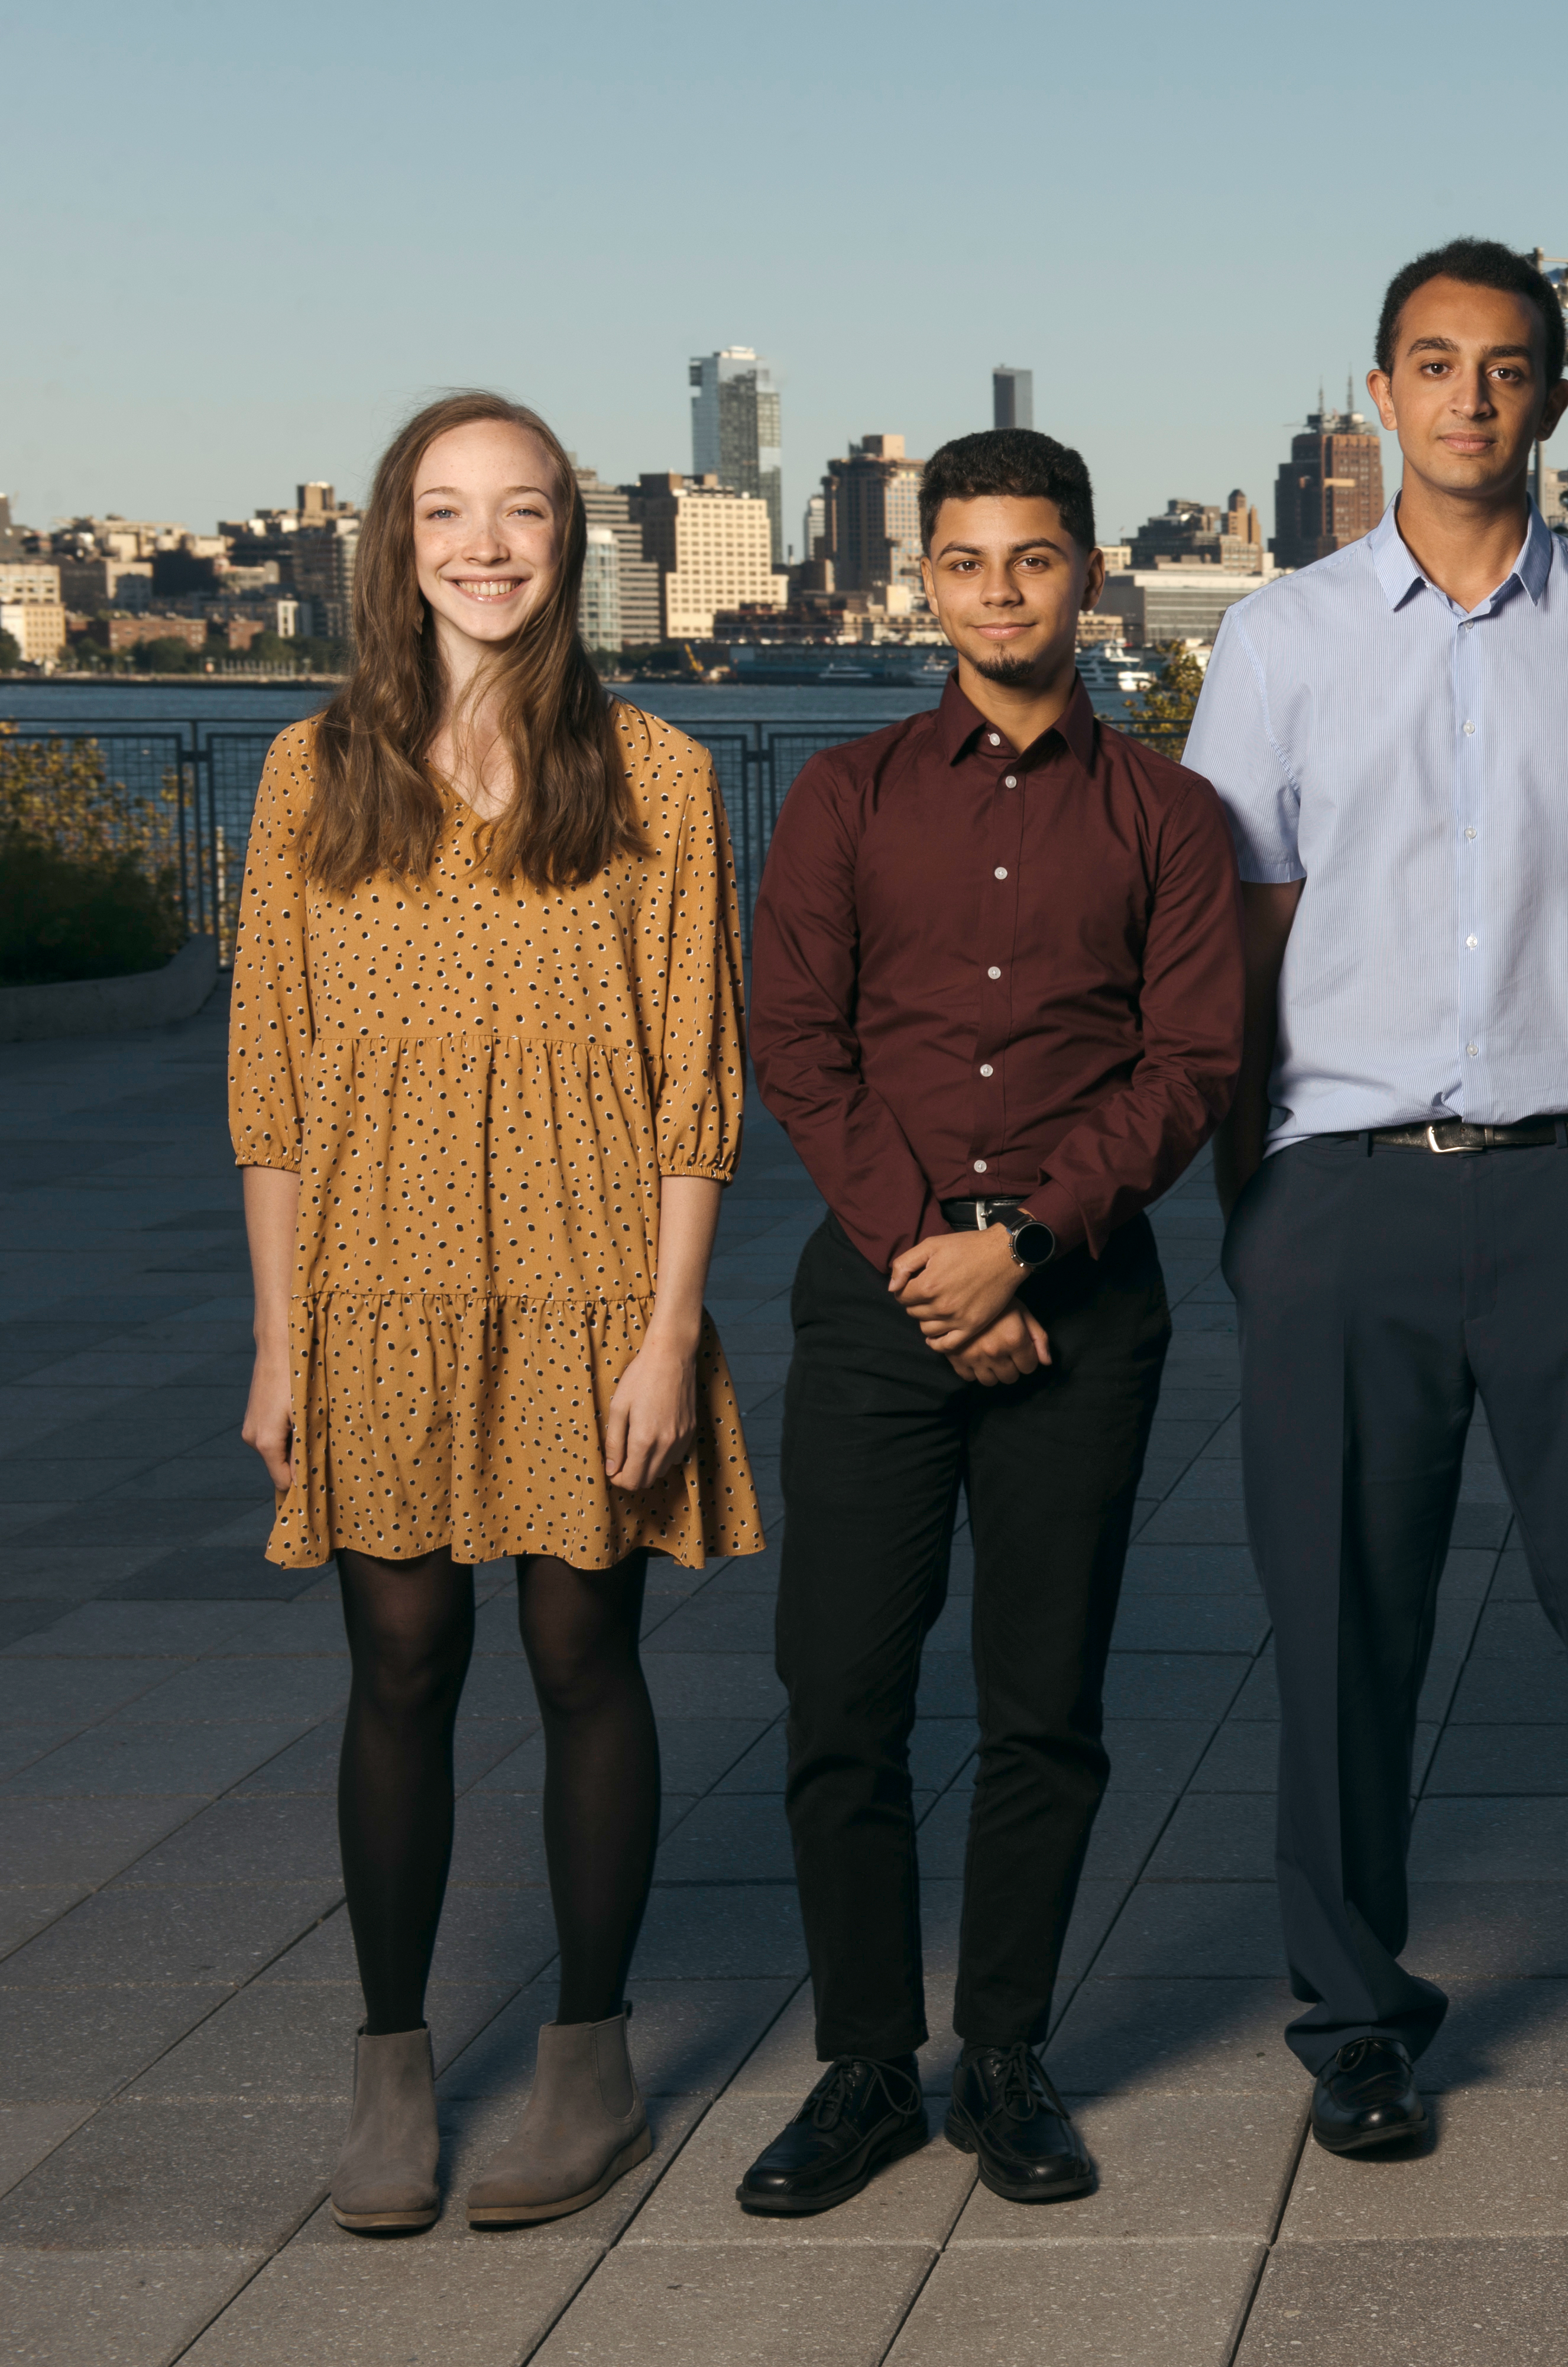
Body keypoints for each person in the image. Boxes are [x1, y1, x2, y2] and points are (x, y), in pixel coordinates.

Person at [1185, 238, 1568, 2159]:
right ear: (1378, 397)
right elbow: (1242, 931)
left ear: (1552, 404)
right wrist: (1259, 1199)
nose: (1469, 400)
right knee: (1341, 1632)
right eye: (1433, 366)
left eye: (1505, 370)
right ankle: (1355, 2020)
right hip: (1346, 1197)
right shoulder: (1275, 641)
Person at [231, 392, 761, 2236]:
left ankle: (591, 2063)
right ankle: (390, 2072)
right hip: (372, 1277)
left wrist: (671, 1334)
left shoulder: (664, 781)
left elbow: (698, 1085)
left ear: (572, 541)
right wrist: (279, 1339)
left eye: (522, 511)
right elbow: (276, 1093)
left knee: (578, 1659)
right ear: (395, 541)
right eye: (447, 512)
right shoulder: (312, 776)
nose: (486, 545)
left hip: (589, 1280)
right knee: (397, 1666)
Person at [742, 429, 1242, 2214]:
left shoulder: (1169, 817)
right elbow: (796, 1045)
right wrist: (937, 1265)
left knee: (1047, 1706)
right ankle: (869, 2068)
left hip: (1086, 1312)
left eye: (1034, 560)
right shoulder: (848, 798)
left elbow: (1189, 1070)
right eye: (968, 563)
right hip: (883, 1308)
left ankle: (1006, 2056)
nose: (1001, 592)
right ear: (926, 581)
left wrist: (1021, 1246)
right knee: (840, 1696)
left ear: (1087, 576)